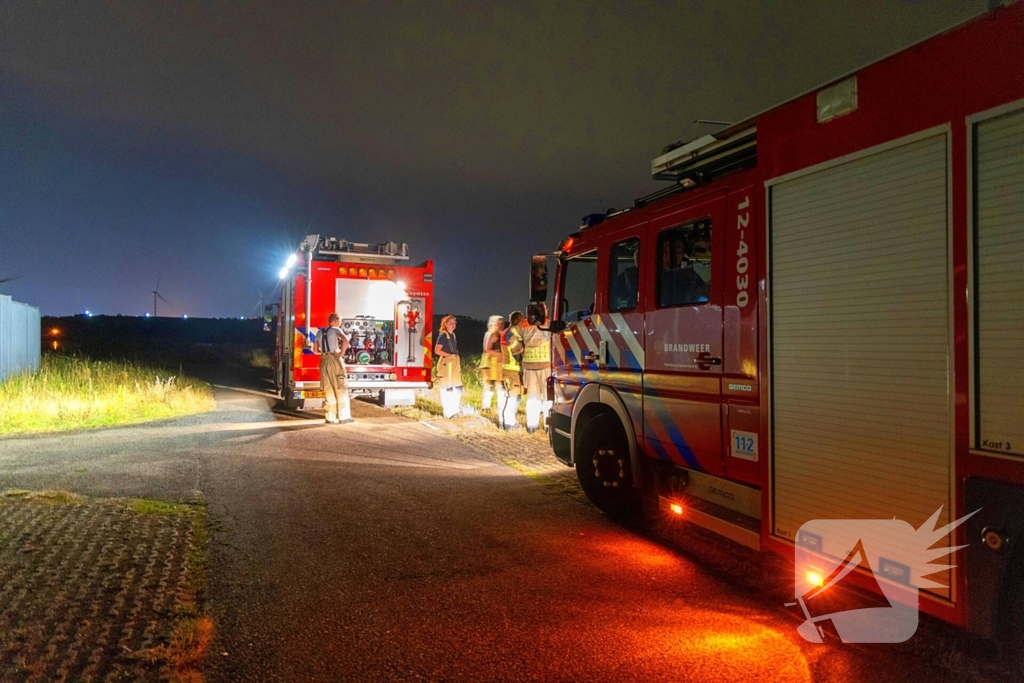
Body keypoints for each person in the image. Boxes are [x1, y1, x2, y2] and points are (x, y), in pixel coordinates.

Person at [315, 313, 353, 424]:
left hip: (324, 361)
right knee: (340, 386)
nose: (340, 323)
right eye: (340, 321)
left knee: (328, 389)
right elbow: (346, 341)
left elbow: (315, 350)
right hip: (334, 359)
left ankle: (330, 417)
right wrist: (341, 353)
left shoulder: (319, 332)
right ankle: (344, 417)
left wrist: (324, 353)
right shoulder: (336, 330)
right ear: (335, 320)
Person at [520, 302, 552, 434]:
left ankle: (532, 425)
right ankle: (548, 425)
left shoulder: (524, 324)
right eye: (545, 308)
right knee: (548, 397)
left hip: (529, 365)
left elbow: (513, 340)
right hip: (545, 364)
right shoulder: (548, 323)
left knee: (532, 397)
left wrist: (520, 350)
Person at [499, 311, 524, 430]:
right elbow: (517, 352)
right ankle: (509, 423)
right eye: (522, 319)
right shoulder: (509, 334)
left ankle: (510, 421)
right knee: (512, 397)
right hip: (511, 370)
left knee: (516, 396)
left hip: (514, 370)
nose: (524, 322)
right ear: (517, 321)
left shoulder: (509, 332)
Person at [434, 315, 462, 418]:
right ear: (445, 324)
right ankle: (448, 412)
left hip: (454, 363)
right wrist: (449, 355)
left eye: (454, 323)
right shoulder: (443, 335)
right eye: (450, 323)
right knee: (448, 387)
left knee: (458, 386)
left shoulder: (453, 335)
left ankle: (455, 410)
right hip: (447, 363)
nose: (453, 325)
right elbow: (437, 350)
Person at [480, 315, 504, 412]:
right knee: (490, 385)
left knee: (500, 385)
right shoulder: (490, 334)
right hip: (490, 363)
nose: (500, 325)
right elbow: (487, 349)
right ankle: (486, 406)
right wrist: (500, 354)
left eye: (502, 323)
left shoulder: (501, 334)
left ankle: (501, 406)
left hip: (498, 364)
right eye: (498, 323)